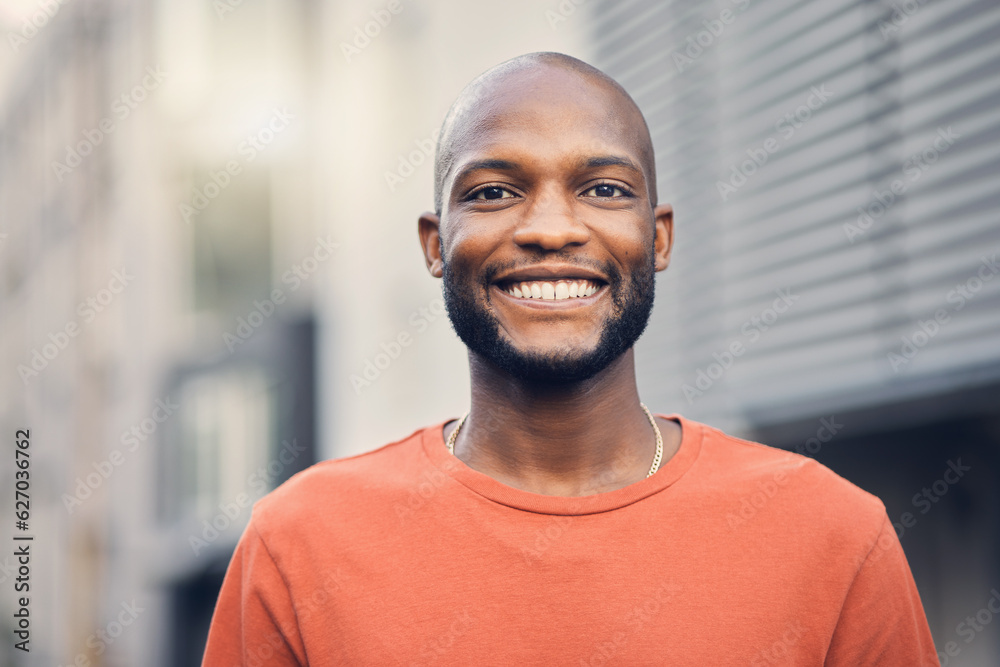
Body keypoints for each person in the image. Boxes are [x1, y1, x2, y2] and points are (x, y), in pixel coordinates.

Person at [202, 52, 939, 666]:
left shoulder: (832, 535)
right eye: (494, 191)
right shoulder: (299, 544)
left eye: (603, 189)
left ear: (658, 237)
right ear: (435, 244)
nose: (551, 228)